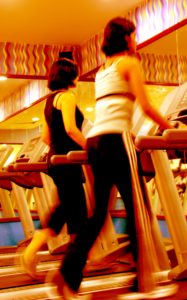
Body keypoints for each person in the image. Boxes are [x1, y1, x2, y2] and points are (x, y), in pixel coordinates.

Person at [45, 17, 174, 299]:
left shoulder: (104, 69)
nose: (136, 40)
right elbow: (146, 105)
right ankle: (143, 283)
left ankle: (67, 274)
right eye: (134, 35)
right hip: (117, 141)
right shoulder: (130, 63)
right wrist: (172, 128)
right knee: (139, 213)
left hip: (95, 143)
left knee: (98, 214)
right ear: (126, 37)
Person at [20, 57, 88, 298]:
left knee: (64, 211)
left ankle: (32, 252)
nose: (79, 78)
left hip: (56, 160)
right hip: (68, 160)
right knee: (79, 219)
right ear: (71, 76)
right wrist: (91, 148)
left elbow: (46, 138)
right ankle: (69, 282)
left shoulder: (49, 102)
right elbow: (71, 128)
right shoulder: (68, 97)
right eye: (77, 74)